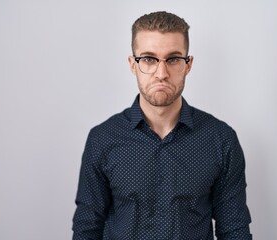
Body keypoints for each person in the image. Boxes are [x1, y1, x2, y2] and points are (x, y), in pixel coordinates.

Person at [72, 11, 252, 239]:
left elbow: (234, 229)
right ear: (132, 64)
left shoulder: (220, 140)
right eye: (148, 59)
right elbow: (87, 228)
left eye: (173, 59)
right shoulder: (103, 139)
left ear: (188, 64)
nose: (162, 73)